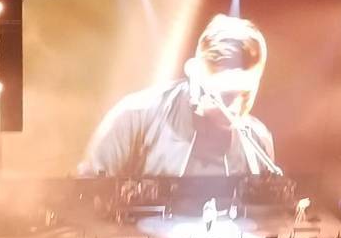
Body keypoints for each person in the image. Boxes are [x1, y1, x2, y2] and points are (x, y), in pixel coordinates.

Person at [77, 14, 280, 178]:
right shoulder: (134, 117)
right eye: (227, 97)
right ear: (194, 73)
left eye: (246, 95)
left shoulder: (258, 140)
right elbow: (84, 202)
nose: (236, 109)